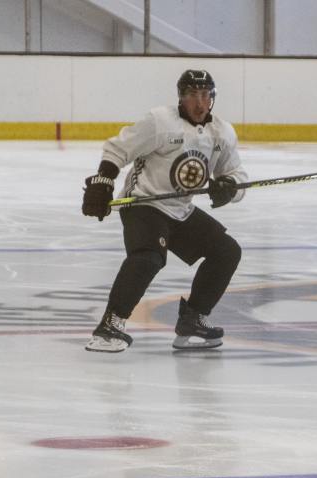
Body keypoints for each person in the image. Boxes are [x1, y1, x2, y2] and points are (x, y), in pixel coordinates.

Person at [81, 68, 247, 352]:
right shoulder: (160, 121)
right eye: (193, 95)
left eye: (205, 95)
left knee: (227, 251)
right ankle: (110, 324)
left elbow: (237, 174)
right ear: (181, 97)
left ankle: (192, 320)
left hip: (179, 209)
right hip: (144, 204)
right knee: (149, 257)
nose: (199, 102)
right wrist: (104, 181)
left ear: (212, 99)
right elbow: (117, 149)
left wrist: (230, 186)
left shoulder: (222, 132)